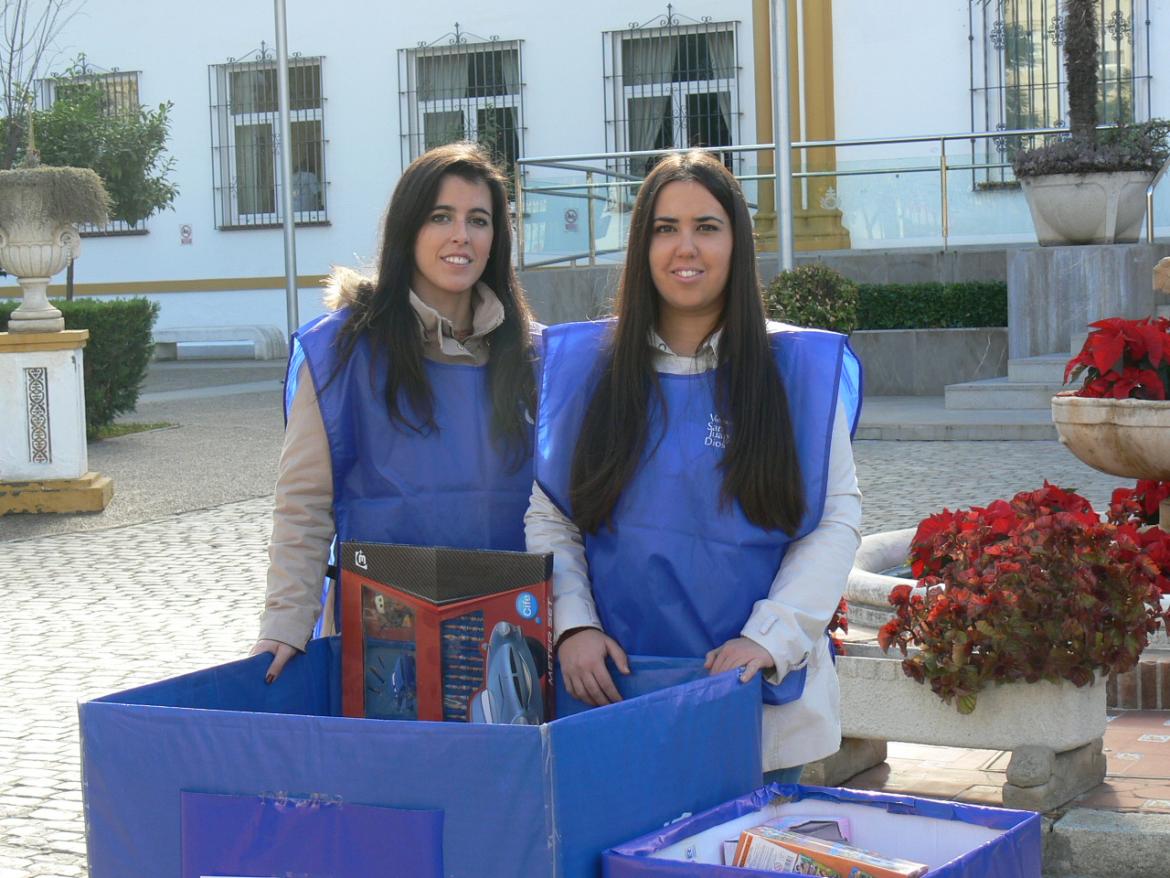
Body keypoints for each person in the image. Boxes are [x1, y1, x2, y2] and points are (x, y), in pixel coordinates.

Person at [526, 150, 862, 781]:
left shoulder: (796, 373)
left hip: (755, 702)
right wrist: (573, 627)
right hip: (616, 695)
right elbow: (553, 516)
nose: (686, 247)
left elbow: (833, 519)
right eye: (666, 228)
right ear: (641, 245)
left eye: (707, 227)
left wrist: (770, 638)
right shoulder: (585, 370)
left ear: (737, 242)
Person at [253, 142, 537, 682]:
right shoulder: (339, 353)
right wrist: (286, 623)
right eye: (440, 217)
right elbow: (304, 505)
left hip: (508, 639)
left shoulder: (535, 358)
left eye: (478, 220)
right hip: (384, 646)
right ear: (407, 229)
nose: (461, 235)